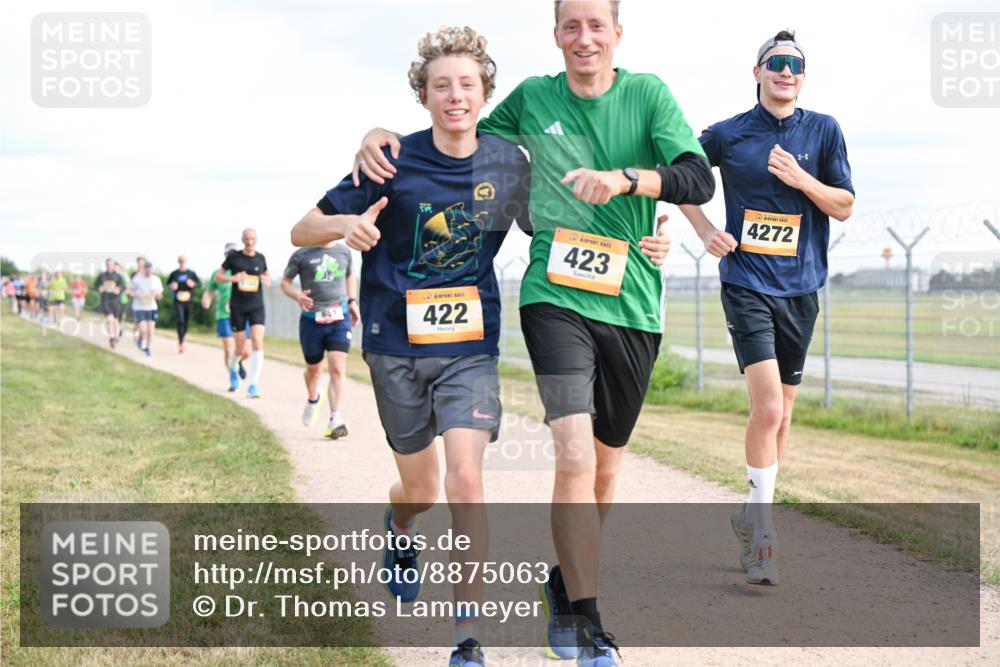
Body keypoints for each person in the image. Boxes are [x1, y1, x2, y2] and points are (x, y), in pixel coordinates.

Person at [350, 2, 713, 663]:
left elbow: (697, 177)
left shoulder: (648, 94)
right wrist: (379, 134)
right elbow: (454, 131)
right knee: (572, 454)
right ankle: (589, 623)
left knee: (603, 474)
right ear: (556, 36)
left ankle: (563, 582)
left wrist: (632, 184)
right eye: (570, 26)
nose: (583, 37)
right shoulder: (531, 99)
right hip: (553, 298)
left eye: (595, 25)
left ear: (616, 34)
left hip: (632, 303)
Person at [291, 26, 537, 667]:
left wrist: (644, 232)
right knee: (420, 490)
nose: (455, 95)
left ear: (485, 91)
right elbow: (303, 225)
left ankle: (466, 638)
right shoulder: (392, 158)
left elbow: (561, 223)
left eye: (466, 84)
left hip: (470, 346)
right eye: (440, 86)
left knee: (465, 480)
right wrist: (345, 223)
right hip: (394, 344)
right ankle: (398, 529)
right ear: (423, 96)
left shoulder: (510, 162)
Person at [678, 30, 854, 587]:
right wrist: (706, 228)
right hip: (746, 283)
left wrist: (803, 180)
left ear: (804, 76)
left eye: (795, 65)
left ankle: (752, 512)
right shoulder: (729, 134)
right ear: (756, 72)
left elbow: (845, 205)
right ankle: (763, 535)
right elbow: (677, 174)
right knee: (770, 408)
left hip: (801, 289)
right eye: (776, 63)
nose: (786, 71)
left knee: (784, 414)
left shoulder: (824, 130)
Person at [281, 241, 359, 438]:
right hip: (311, 320)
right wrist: (298, 296)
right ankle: (313, 397)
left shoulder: (343, 251)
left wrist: (352, 301)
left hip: (339, 318)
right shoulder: (301, 254)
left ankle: (335, 418)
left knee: (337, 366)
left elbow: (350, 276)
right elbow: (285, 283)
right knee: (313, 370)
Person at [215, 229, 270, 398]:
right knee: (239, 350)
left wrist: (266, 279)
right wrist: (234, 278)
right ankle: (233, 365)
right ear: (242, 240)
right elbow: (218, 277)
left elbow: (267, 274)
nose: (249, 242)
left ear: (256, 240)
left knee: (257, 342)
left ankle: (253, 385)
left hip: (256, 305)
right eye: (247, 239)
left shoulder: (261, 258)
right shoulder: (234, 258)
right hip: (238, 306)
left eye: (252, 239)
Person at [202, 243, 253, 391]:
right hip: (224, 315)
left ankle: (237, 363)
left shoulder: (244, 271)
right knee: (230, 348)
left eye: (233, 253)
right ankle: (233, 378)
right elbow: (210, 291)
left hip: (244, 314)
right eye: (228, 253)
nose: (231, 256)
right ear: (224, 255)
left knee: (246, 351)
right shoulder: (218, 273)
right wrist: (206, 300)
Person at [167, 255, 201, 353]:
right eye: (180, 261)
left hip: (188, 300)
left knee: (186, 321)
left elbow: (199, 284)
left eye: (183, 261)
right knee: (180, 320)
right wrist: (171, 286)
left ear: (186, 261)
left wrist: (193, 284)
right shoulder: (174, 273)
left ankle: (182, 338)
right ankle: (181, 342)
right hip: (178, 300)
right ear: (178, 262)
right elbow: (168, 284)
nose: (182, 262)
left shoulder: (191, 273)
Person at [129, 260, 164, 356]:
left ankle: (148, 347)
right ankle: (140, 339)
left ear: (152, 270)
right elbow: (130, 291)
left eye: (150, 270)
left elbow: (160, 295)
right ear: (144, 269)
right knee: (143, 329)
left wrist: (156, 294)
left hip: (152, 307)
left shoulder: (156, 280)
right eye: (147, 269)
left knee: (151, 328)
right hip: (139, 307)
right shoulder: (137, 279)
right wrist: (137, 295)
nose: (148, 271)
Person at [95, 259, 126, 348]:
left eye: (111, 265)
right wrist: (99, 288)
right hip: (105, 300)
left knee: (116, 321)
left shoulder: (118, 276)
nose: (109, 266)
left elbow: (123, 286)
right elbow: (96, 285)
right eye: (107, 265)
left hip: (116, 301)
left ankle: (116, 337)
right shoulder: (102, 276)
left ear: (113, 265)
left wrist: (119, 289)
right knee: (110, 319)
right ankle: (111, 337)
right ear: (106, 265)